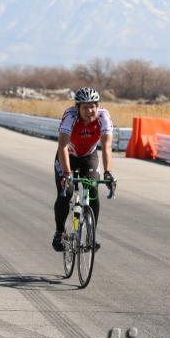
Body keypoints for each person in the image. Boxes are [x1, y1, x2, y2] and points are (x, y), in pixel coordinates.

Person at [51, 87, 116, 252]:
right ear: (77, 107)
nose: (90, 110)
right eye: (85, 107)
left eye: (93, 106)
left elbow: (106, 146)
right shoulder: (70, 117)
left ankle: (91, 235)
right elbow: (63, 146)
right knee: (67, 192)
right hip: (68, 156)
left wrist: (108, 172)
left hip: (88, 157)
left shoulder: (103, 117)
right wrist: (66, 173)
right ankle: (59, 232)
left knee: (92, 188)